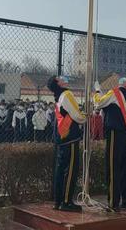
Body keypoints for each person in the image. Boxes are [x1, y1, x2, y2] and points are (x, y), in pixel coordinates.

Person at [94, 75, 126, 212]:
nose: (123, 78)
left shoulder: (116, 92)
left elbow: (99, 103)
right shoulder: (125, 96)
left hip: (114, 134)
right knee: (124, 169)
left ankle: (113, 203)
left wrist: (97, 90)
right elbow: (109, 103)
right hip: (123, 135)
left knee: (113, 168)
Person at [47, 75, 86, 212]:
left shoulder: (58, 98)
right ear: (58, 84)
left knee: (60, 170)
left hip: (61, 137)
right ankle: (66, 202)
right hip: (70, 137)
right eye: (60, 78)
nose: (63, 78)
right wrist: (86, 116)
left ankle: (58, 201)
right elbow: (77, 115)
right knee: (70, 170)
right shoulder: (67, 94)